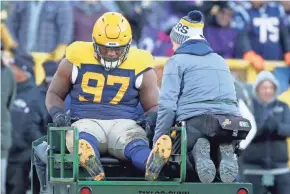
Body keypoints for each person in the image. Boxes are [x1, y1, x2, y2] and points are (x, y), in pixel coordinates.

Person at [37, 11, 172, 189]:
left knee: (133, 142)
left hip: (122, 123)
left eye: (117, 48)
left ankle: (151, 163)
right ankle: (90, 158)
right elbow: (54, 93)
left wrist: (149, 120)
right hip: (87, 120)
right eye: (105, 48)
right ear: (94, 43)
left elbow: (153, 105)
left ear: (128, 45)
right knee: (82, 137)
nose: (110, 53)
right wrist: (58, 114)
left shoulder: (140, 64)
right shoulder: (76, 58)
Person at [153, 10, 251, 183]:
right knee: (217, 139)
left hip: (195, 125)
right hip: (229, 124)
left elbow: (167, 106)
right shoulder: (220, 60)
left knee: (185, 148)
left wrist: (158, 141)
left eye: (173, 42)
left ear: (180, 40)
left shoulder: (176, 62)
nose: (173, 46)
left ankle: (196, 151)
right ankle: (222, 150)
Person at [241, 71, 290, 194]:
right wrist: (261, 129)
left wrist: (276, 127)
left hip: (280, 169)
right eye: (264, 87)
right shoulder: (249, 106)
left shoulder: (283, 106)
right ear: (257, 89)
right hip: (253, 169)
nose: (267, 91)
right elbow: (245, 132)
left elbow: (288, 129)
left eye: (270, 88)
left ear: (275, 89)